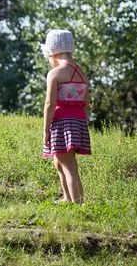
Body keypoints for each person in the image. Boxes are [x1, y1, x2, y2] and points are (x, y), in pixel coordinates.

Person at [41, 29, 91, 205]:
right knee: (58, 161)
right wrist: (83, 123)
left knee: (69, 165)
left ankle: (78, 204)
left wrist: (46, 129)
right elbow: (87, 102)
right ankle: (67, 198)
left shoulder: (55, 74)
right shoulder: (82, 74)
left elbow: (49, 104)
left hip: (61, 121)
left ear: (53, 52)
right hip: (78, 121)